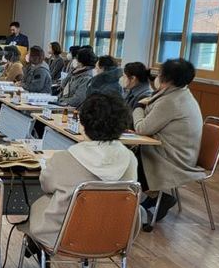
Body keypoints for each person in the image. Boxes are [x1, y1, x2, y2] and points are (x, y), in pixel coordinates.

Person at [21, 94, 138, 255]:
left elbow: (45, 185)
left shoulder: (65, 158)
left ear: (82, 124)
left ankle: (36, 245)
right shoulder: (130, 159)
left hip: (62, 237)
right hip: (113, 236)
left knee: (42, 201)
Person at [132, 58, 205, 223]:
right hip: (174, 150)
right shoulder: (179, 93)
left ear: (167, 78)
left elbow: (142, 128)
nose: (157, 76)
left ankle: (160, 195)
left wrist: (138, 107)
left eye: (160, 73)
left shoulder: (171, 101)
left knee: (128, 160)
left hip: (172, 157)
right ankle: (154, 195)